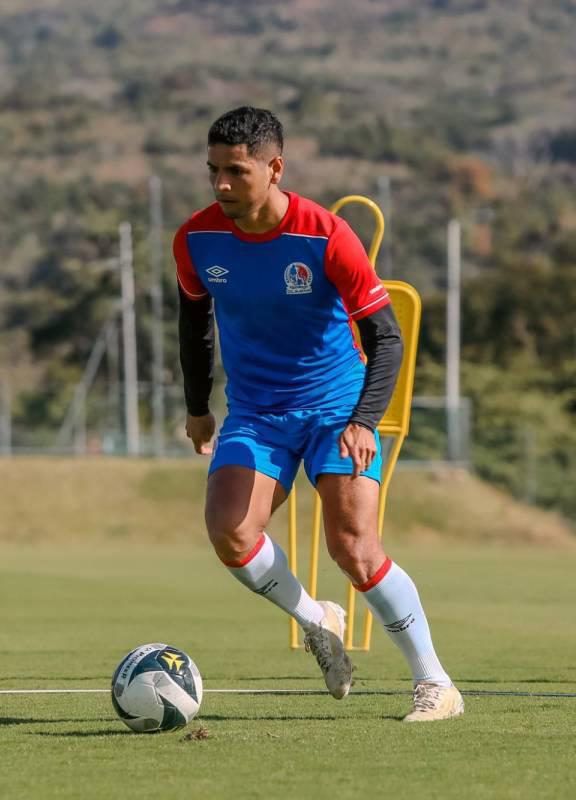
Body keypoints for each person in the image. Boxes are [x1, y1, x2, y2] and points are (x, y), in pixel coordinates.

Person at [175, 106, 463, 721]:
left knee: (354, 549)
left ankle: (435, 683)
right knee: (230, 533)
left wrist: (363, 420)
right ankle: (316, 618)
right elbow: (194, 323)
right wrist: (198, 407)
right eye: (213, 170)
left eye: (236, 171)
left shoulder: (327, 235)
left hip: (337, 408)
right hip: (256, 413)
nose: (221, 184)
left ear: (275, 168)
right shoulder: (196, 238)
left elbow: (386, 337)